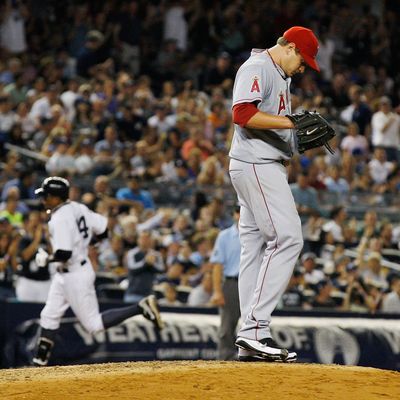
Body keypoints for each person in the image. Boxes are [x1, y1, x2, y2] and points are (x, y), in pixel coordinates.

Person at [229, 26, 321, 362]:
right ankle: (254, 328)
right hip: (256, 163)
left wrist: (291, 132)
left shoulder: (281, 74)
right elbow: (242, 114)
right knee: (288, 238)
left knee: (253, 247)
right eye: (303, 61)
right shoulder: (258, 68)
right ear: (290, 46)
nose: (303, 68)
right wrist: (292, 124)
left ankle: (248, 335)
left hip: (256, 163)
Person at [32, 176, 163, 367]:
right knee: (49, 316)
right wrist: (88, 244)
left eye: (47, 196)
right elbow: (103, 229)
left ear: (56, 197)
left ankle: (141, 307)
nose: (43, 199)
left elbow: (64, 253)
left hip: (75, 274)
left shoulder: (60, 218)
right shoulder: (78, 207)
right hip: (68, 272)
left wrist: (47, 259)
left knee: (93, 325)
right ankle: (38, 364)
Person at [209, 204, 241, 361]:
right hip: (232, 283)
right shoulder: (225, 236)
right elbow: (217, 266)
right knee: (227, 326)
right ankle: (225, 359)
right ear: (234, 214)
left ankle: (252, 357)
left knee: (256, 324)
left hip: (253, 285)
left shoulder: (257, 235)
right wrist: (217, 291)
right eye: (238, 212)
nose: (241, 215)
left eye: (244, 212)